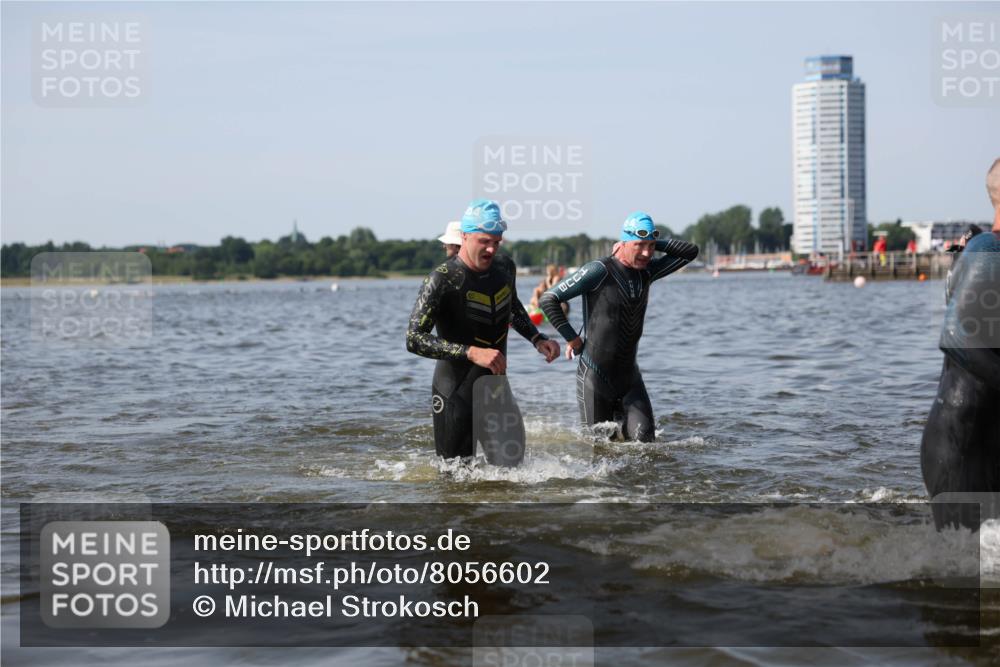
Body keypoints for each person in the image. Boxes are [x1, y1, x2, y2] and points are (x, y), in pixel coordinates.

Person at [406, 199, 560, 458]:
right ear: (464, 236)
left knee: (513, 473)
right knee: (456, 482)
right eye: (484, 241)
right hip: (455, 392)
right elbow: (414, 338)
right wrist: (471, 352)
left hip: (496, 389)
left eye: (496, 242)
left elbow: (511, 306)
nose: (491, 249)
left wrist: (536, 337)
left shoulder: (504, 267)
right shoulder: (442, 279)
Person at [539, 212, 699, 442]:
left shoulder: (648, 271)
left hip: (629, 379)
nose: (646, 253)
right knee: (600, 451)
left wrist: (655, 242)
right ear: (623, 243)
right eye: (639, 245)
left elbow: (691, 252)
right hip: (595, 377)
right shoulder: (599, 270)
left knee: (645, 444)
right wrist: (573, 339)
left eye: (651, 246)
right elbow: (549, 299)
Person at [921, 158, 1000, 529]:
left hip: (983, 437)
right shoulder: (987, 250)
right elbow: (957, 337)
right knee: (968, 574)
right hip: (960, 446)